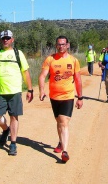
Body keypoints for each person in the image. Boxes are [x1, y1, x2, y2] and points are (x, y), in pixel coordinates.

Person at [0, 30, 33, 156]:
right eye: (3, 38)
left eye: (7, 38)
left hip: (15, 92)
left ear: (12, 39)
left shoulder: (18, 54)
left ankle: (13, 143)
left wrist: (30, 89)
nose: (5, 40)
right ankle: (5, 130)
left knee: (14, 117)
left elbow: (25, 72)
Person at [39, 35, 83, 163]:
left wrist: (80, 97)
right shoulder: (50, 59)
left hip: (68, 96)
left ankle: (65, 151)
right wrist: (42, 90)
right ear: (56, 45)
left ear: (68, 45)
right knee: (59, 122)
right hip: (54, 96)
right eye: (59, 44)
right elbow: (42, 76)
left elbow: (78, 80)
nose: (61, 46)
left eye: (63, 44)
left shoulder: (73, 61)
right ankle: (60, 142)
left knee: (64, 121)